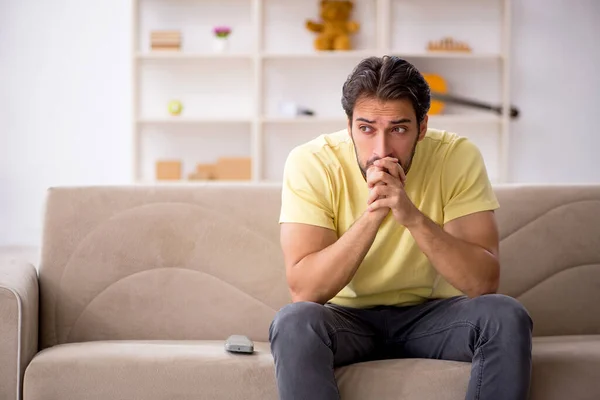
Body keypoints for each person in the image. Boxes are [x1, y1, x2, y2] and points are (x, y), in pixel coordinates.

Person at [269, 55, 533, 400]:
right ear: (349, 125)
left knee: (505, 315)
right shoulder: (312, 162)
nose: (381, 150)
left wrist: (410, 215)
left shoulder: (456, 156)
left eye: (399, 129)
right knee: (294, 322)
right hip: (347, 321)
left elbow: (483, 282)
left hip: (434, 317)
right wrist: (374, 215)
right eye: (366, 129)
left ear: (422, 127)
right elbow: (305, 290)